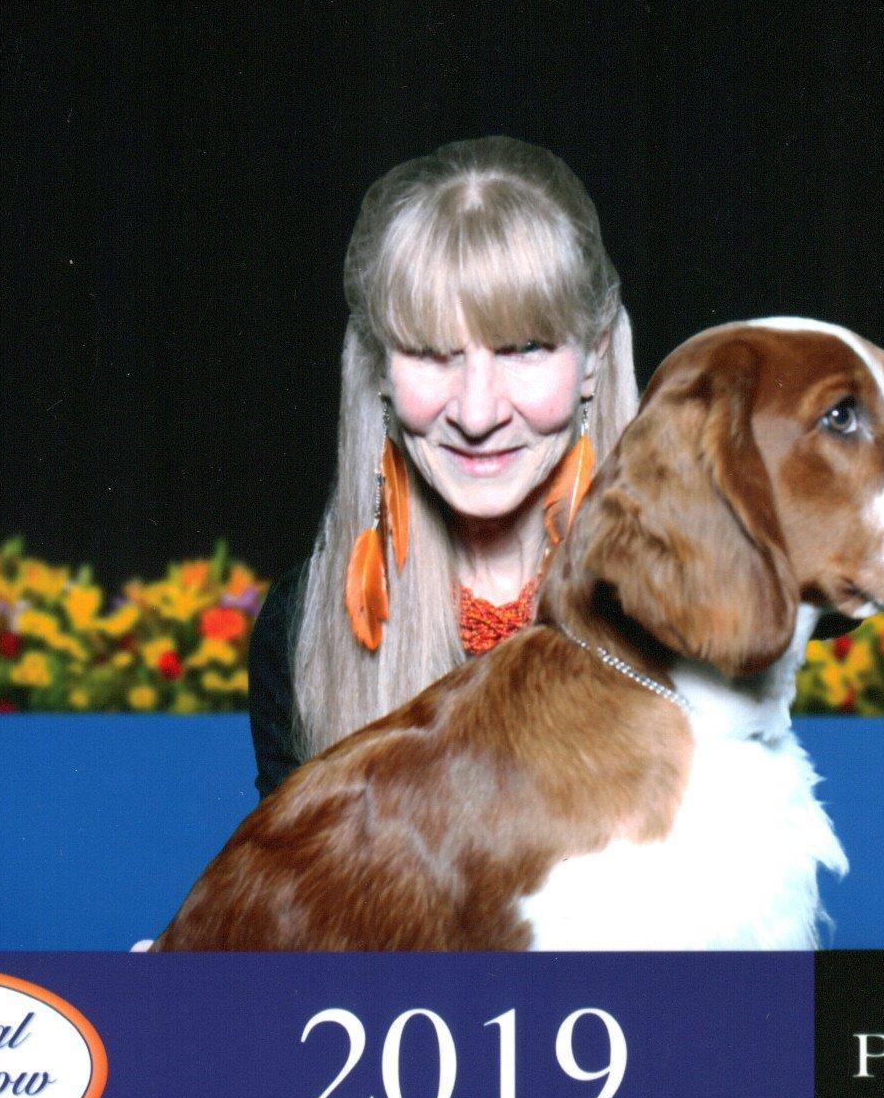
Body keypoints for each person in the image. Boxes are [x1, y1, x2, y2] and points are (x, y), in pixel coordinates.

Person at [249, 136, 640, 797]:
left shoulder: (694, 606)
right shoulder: (302, 628)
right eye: (432, 353)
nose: (477, 414)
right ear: (380, 370)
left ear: (594, 358)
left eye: (524, 349)